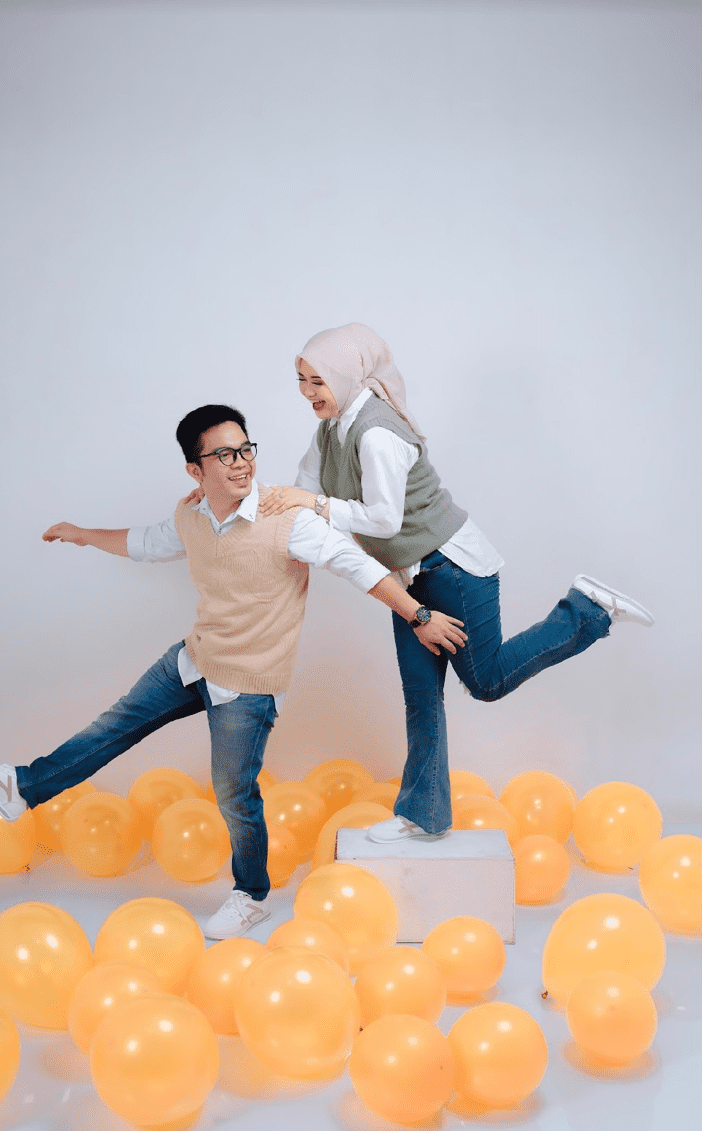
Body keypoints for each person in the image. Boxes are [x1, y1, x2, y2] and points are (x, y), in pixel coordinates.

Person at [0, 403, 467, 940]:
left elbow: (357, 566)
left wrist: (420, 615)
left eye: (245, 449)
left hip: (247, 686)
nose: (241, 462)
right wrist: (83, 533)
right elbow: (146, 542)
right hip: (194, 660)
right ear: (195, 470)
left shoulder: (288, 521)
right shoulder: (192, 516)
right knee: (112, 727)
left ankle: (251, 895)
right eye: (224, 454)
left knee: (233, 795)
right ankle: (21, 788)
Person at [259, 323, 655, 845]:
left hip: (453, 567)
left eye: (318, 381)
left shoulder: (376, 434)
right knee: (421, 699)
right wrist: (246, 503)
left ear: (348, 375)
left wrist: (310, 503)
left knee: (486, 682)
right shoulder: (330, 430)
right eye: (301, 379)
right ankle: (423, 815)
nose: (307, 392)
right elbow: (300, 491)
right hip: (408, 580)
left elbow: (381, 519)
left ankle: (586, 609)